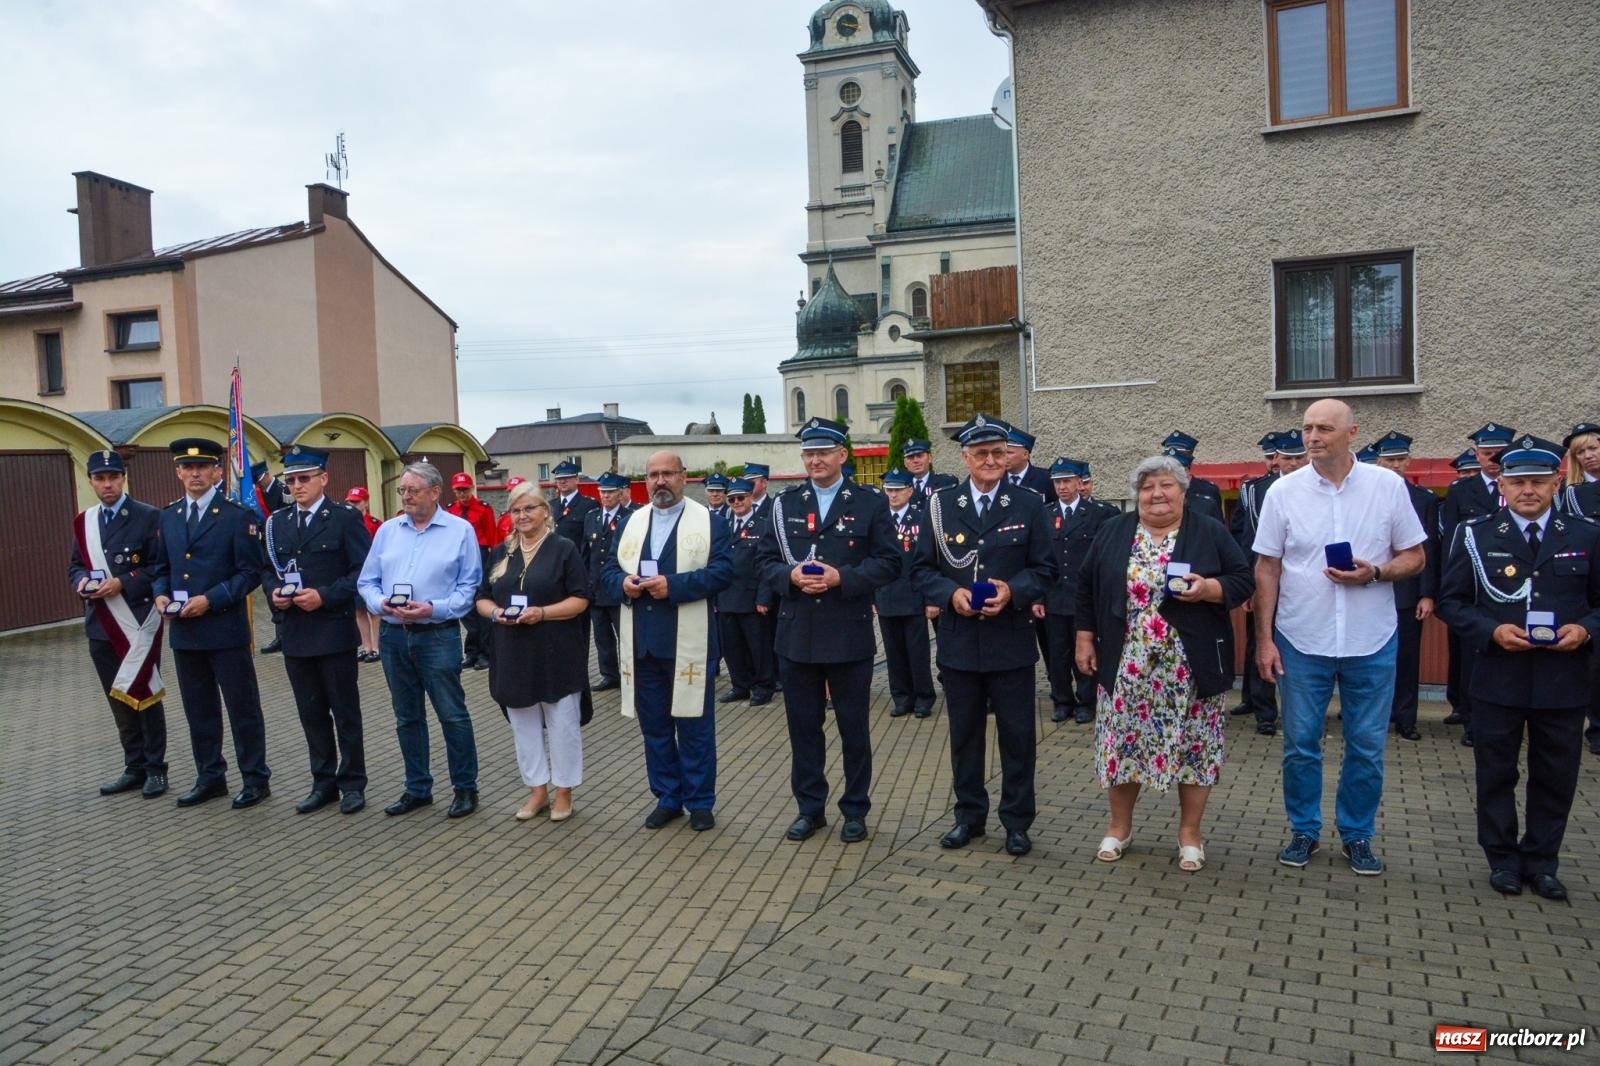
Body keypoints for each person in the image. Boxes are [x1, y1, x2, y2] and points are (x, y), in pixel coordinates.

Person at [1253, 400, 1427, 876]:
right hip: (1301, 638)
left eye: (1324, 429)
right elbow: (1267, 567)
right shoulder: (1283, 492)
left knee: (1366, 746)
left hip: (1371, 638)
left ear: (1352, 433)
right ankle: (1304, 829)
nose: (1312, 437)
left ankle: (1357, 834)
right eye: (1307, 428)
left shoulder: (1387, 486)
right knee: (1300, 745)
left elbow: (1415, 557)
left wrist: (1377, 573)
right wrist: (1264, 640)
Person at [1436, 435, 1600, 901]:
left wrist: (1585, 630)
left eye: (1538, 482)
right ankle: (1503, 859)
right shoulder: (1476, 534)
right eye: (1518, 481)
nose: (1528, 490)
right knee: (1496, 773)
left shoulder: (1586, 534)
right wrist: (1491, 631)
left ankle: (1543, 861)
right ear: (1503, 486)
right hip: (1498, 675)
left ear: (1555, 484)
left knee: (1555, 775)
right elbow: (1453, 601)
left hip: (1563, 678)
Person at [1075, 454, 1253, 870]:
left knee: (1195, 750)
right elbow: (1085, 586)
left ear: (1183, 491)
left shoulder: (1208, 530)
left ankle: (1190, 834)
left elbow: (1243, 579)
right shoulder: (1114, 530)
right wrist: (1084, 638)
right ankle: (1119, 827)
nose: (1156, 494)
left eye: (1166, 485)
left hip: (1190, 669)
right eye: (1147, 487)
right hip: (1126, 665)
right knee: (1123, 745)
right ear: (1137, 494)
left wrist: (1209, 588)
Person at [911, 414, 1056, 856]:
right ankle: (969, 817)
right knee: (965, 737)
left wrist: (1013, 591)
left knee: (1018, 738)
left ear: (1008, 456)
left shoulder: (1029, 503)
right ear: (965, 458)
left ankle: (1017, 822)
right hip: (959, 643)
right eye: (981, 453)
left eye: (997, 452)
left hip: (1011, 641)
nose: (990, 460)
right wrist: (950, 595)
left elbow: (1046, 569)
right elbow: (921, 569)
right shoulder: (940, 504)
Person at [759, 418, 900, 843]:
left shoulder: (870, 502)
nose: (815, 460)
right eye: (809, 453)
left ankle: (855, 809)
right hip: (796, 635)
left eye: (823, 452)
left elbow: (890, 562)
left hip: (847, 633)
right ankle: (810, 809)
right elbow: (763, 562)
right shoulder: (784, 505)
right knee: (804, 730)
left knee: (854, 730)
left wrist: (844, 578)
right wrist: (789, 576)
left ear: (842, 455)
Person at [601, 450, 732, 831]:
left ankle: (700, 801)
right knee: (655, 729)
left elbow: (723, 572)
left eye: (668, 473)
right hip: (642, 644)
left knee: (695, 728)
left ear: (683, 477)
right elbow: (607, 570)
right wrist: (623, 583)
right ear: (645, 481)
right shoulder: (631, 522)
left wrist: (672, 586)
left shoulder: (710, 521)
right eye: (653, 474)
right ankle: (668, 797)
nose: (660, 481)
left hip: (689, 644)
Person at [357, 462, 483, 819]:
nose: (406, 496)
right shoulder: (387, 531)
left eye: (413, 490)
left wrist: (433, 608)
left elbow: (469, 587)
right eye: (403, 490)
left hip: (437, 635)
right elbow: (367, 581)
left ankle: (465, 788)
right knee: (406, 717)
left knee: (452, 715)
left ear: (434, 492)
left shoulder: (460, 531)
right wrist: (380, 603)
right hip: (394, 636)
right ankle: (417, 788)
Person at [151, 438, 272, 809]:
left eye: (202, 466)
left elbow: (250, 572)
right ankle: (210, 777)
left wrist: (211, 599)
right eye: (187, 468)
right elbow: (161, 568)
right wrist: (160, 595)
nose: (195, 474)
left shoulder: (236, 516)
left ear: (217, 471)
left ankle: (255, 778)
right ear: (178, 472)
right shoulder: (169, 516)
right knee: (199, 710)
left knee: (242, 708)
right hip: (185, 632)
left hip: (224, 629)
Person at [261, 446, 372, 814]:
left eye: (304, 478)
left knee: (345, 712)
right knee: (311, 713)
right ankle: (323, 782)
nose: (297, 486)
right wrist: (274, 594)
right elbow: (267, 569)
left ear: (323, 478)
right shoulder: (277, 522)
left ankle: (352, 783)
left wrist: (325, 596)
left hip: (334, 631)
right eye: (291, 480)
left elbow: (362, 572)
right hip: (296, 632)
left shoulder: (343, 519)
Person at [476, 482, 591, 823]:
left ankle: (564, 791)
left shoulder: (564, 549)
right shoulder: (502, 552)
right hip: (513, 651)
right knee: (523, 725)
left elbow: (581, 599)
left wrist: (542, 613)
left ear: (545, 511)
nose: (522, 515)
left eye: (529, 508)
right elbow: (482, 598)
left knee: (562, 724)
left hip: (557, 651)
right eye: (516, 510)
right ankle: (537, 790)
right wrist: (496, 613)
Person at [70, 449, 169, 798]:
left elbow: (159, 568)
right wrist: (82, 582)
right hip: (101, 623)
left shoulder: (149, 516)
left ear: (123, 478)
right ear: (91, 481)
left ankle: (156, 768)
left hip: (137, 623)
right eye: (100, 478)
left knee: (144, 692)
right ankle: (134, 766)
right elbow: (75, 565)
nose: (107, 484)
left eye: (113, 477)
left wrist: (124, 582)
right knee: (118, 698)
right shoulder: (85, 522)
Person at [1440, 423, 1516, 745]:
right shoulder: (1461, 490)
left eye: (1499, 453)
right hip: (1472, 584)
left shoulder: (1516, 486)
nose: (1493, 459)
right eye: (1487, 453)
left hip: (1512, 585)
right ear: (1477, 454)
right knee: (1471, 656)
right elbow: (1451, 541)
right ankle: (1472, 721)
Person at [1372, 432, 1440, 742]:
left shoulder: (1424, 499)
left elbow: (1429, 550)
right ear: (1378, 462)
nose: (1395, 465)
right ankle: (1376, 716)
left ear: (1409, 461)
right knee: (1371, 660)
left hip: (1408, 593)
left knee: (1407, 658)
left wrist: (1427, 593)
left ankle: (1406, 718)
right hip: (1371, 590)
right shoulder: (1367, 496)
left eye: (1400, 459)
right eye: (1389, 460)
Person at [1039, 457, 1110, 724]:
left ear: (1080, 483)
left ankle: (1086, 702)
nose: (1062, 487)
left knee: (1087, 649)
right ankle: (1062, 700)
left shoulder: (1098, 514)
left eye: (1067, 481)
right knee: (1057, 654)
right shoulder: (1045, 514)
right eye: (1057, 482)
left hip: (1084, 598)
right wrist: (1037, 597)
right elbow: (1038, 559)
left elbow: (1103, 560)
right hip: (1054, 596)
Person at [1230, 434, 1282, 734]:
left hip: (1300, 585)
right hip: (1262, 580)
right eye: (1270, 457)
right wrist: (1247, 584)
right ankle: (1264, 711)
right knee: (1260, 641)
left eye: (1281, 456)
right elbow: (1243, 537)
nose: (1275, 462)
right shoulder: (1252, 490)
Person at [876, 468, 937, 719]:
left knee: (917, 651)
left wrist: (931, 599)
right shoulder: (879, 520)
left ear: (910, 491)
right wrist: (870, 597)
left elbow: (930, 561)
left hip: (914, 596)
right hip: (885, 595)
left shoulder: (921, 519)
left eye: (898, 490)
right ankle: (902, 697)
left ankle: (923, 698)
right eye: (889, 490)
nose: (893, 495)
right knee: (893, 652)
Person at [716, 478, 777, 706]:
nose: (737, 503)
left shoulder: (763, 525)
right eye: (732, 499)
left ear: (750, 498)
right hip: (726, 597)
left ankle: (763, 687)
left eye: (741, 498)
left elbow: (767, 565)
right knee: (732, 647)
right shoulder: (722, 525)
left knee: (758, 647)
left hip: (752, 599)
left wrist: (764, 598)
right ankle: (740, 685)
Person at [583, 472, 635, 691]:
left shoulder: (630, 517)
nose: (606, 496)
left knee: (626, 636)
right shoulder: (591, 517)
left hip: (618, 588)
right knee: (602, 637)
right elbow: (585, 553)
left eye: (610, 492)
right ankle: (609, 675)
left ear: (620, 493)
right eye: (602, 492)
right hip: (596, 589)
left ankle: (630, 673)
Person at [447, 472, 499, 672]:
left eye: (465, 489)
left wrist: (494, 565)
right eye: (458, 490)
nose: (462, 494)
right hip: (459, 558)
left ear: (472, 489)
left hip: (481, 556)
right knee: (466, 606)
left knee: (482, 604)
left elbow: (492, 537)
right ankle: (471, 651)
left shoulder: (483, 508)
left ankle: (485, 653)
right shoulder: (451, 510)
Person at [252, 460, 288, 655]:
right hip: (266, 546)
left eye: (260, 479)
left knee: (284, 589)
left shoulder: (283, 491)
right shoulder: (257, 493)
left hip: (283, 547)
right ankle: (280, 635)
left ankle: (286, 634)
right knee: (271, 590)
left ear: (266, 474)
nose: (259, 484)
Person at [346, 486, 383, 662]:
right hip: (354, 572)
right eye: (350, 502)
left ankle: (377, 647)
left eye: (356, 502)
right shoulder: (345, 524)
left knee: (373, 611)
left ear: (365, 503)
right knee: (359, 610)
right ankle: (366, 646)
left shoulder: (375, 524)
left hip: (372, 572)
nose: (352, 506)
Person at [1161, 431, 1223, 522]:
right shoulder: (1158, 490)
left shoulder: (1208, 490)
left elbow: (1218, 526)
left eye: (1178, 467)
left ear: (1187, 467)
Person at [551, 462, 599, 548]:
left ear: (577, 480)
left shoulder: (589, 505)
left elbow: (591, 539)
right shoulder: (550, 505)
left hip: (576, 554)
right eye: (559, 479)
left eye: (567, 478)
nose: (562, 481)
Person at [1002, 427, 1052, 499]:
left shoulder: (1045, 478)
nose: (1004, 457)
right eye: (1002, 453)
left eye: (1009, 453)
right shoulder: (996, 477)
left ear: (1025, 455)